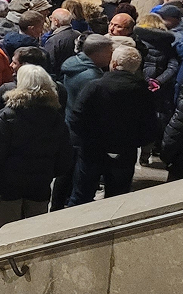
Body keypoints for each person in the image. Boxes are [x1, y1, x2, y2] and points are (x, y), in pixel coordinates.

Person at [0, 65, 75, 227]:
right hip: (39, 184)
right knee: (33, 232)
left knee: (7, 233)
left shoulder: (6, 116)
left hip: (7, 185)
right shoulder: (55, 117)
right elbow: (65, 156)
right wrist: (50, 172)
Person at [67, 46, 158, 206]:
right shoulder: (144, 93)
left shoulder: (95, 86)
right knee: (117, 200)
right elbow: (151, 126)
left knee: (81, 197)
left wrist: (87, 138)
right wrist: (132, 142)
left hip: (91, 150)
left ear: (114, 64)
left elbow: (76, 117)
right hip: (125, 151)